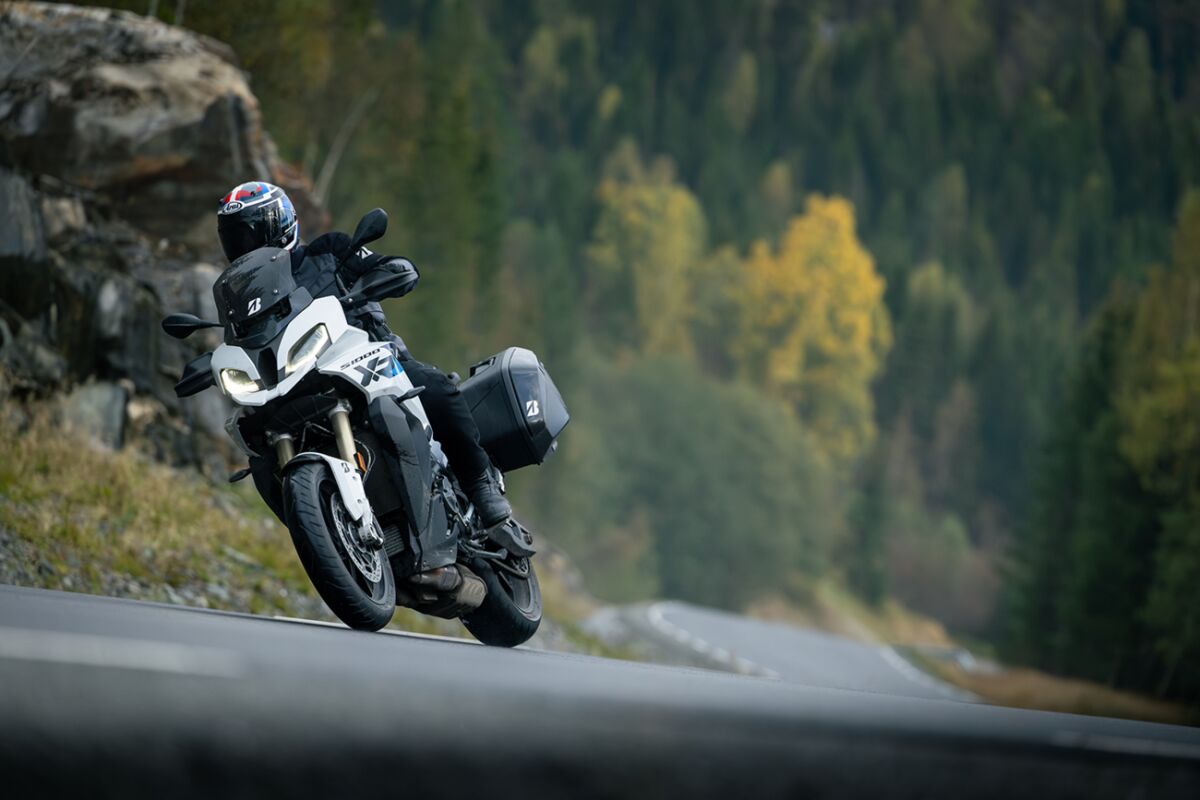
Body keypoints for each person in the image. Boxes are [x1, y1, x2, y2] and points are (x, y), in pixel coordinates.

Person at [214, 180, 512, 527]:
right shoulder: (245, 302)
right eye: (235, 238)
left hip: (366, 355)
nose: (246, 246)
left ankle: (480, 482)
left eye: (251, 234)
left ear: (281, 224)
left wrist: (389, 271)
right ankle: (320, 527)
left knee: (436, 389)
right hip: (292, 383)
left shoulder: (329, 251)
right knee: (259, 452)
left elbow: (379, 264)